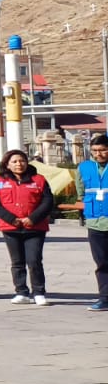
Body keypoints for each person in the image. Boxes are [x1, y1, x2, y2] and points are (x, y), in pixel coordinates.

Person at [0, 149, 55, 306]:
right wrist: (11, 219)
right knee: (17, 262)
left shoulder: (38, 180)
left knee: (34, 260)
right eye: (14, 162)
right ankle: (21, 292)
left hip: (35, 227)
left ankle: (39, 292)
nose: (19, 164)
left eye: (22, 161)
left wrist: (33, 218)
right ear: (7, 164)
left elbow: (47, 201)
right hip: (11, 227)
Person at [80, 134, 108, 312]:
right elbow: (81, 191)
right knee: (102, 263)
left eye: (103, 150)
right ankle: (105, 298)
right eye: (95, 151)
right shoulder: (84, 167)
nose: (99, 154)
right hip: (95, 223)